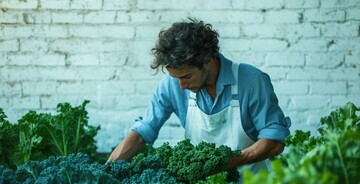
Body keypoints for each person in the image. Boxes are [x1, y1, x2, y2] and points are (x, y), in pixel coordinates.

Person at [107, 18, 291, 175]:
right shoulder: (173, 84)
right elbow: (142, 132)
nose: (181, 86)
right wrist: (104, 172)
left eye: (187, 76)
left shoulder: (251, 81)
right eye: (175, 78)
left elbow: (274, 142)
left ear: (207, 60)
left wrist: (229, 162)